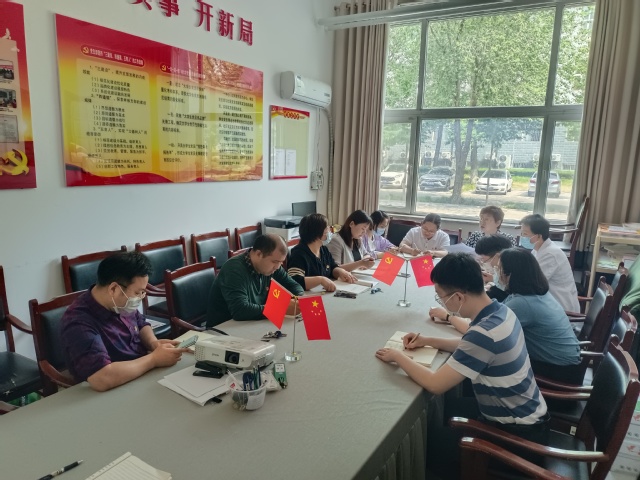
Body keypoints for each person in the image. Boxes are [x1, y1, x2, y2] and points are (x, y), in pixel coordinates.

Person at [375, 253, 548, 472]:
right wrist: (427, 340)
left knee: (428, 446)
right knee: (445, 412)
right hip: (528, 416)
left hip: (518, 438)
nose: (442, 303)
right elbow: (471, 346)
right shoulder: (501, 311)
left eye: (441, 297)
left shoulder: (483, 335)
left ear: (458, 297)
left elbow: (435, 384)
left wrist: (397, 356)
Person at [61, 252, 186, 392]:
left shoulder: (118, 302)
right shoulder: (78, 322)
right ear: (114, 289)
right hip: (115, 386)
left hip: (141, 372)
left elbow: (140, 322)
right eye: (138, 293)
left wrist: (153, 343)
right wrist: (153, 359)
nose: (140, 297)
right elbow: (101, 378)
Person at [498, 248, 582, 383]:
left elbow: (489, 329)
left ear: (511, 275)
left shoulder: (523, 303)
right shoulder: (537, 293)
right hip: (567, 366)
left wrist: (455, 317)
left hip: (558, 375)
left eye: (500, 270)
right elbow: (497, 312)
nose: (498, 274)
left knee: (489, 360)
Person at [206, 233, 304, 327]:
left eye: (281, 262)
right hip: (222, 329)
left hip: (250, 323)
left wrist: (297, 300)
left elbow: (294, 285)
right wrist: (280, 308)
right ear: (259, 254)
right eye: (275, 262)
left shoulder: (271, 267)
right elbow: (240, 310)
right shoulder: (233, 269)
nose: (278, 267)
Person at [520, 214, 580, 313]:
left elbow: (532, 284)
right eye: (521, 233)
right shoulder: (538, 249)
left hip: (561, 310)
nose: (522, 237)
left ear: (539, 236)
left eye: (525, 234)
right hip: (548, 303)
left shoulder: (550, 254)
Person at [287, 213, 357, 291]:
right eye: (327, 228)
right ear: (317, 233)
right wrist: (320, 280)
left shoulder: (323, 250)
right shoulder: (298, 254)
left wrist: (340, 271)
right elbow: (295, 281)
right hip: (309, 296)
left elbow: (332, 267)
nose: (329, 231)